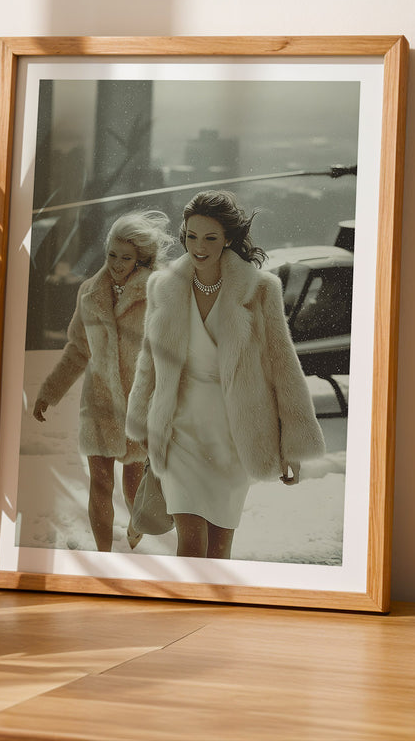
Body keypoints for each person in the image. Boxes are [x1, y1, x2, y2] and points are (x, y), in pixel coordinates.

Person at [126, 190, 325, 559]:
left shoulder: (261, 290)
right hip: (180, 431)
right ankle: (187, 615)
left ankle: (211, 615)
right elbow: (149, 361)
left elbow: (283, 366)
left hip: (235, 434)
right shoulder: (163, 287)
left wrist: (292, 444)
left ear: (229, 239)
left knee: (219, 549)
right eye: (191, 236)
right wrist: (140, 422)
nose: (198, 247)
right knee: (191, 541)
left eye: (210, 238)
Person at [33, 210, 175, 552]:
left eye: (126, 258)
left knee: (132, 485)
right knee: (98, 481)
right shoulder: (89, 293)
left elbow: (170, 352)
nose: (116, 263)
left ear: (141, 259)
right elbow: (78, 349)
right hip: (97, 403)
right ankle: (103, 556)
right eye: (112, 254)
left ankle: (138, 526)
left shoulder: (158, 292)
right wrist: (48, 392)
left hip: (139, 404)